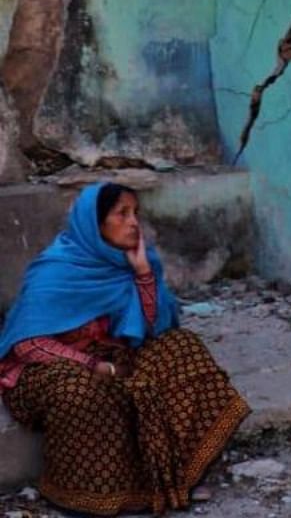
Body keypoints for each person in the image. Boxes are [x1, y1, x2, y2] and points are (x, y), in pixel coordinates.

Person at [0, 182, 249, 516]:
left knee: (182, 348)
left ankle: (174, 477)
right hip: (51, 368)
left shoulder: (129, 266)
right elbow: (29, 344)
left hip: (114, 357)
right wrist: (90, 364)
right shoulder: (55, 271)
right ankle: (80, 497)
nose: (134, 223)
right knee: (82, 390)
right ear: (96, 223)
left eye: (136, 214)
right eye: (122, 214)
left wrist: (143, 273)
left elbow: (150, 330)